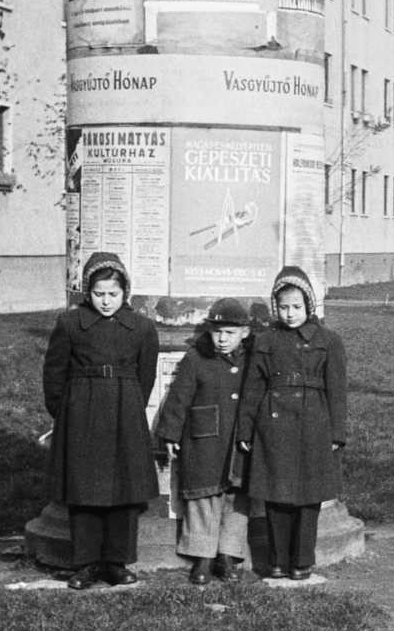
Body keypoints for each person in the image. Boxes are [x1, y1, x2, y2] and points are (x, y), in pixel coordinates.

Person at [43, 252, 160, 590]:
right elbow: (54, 373)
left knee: (124, 488)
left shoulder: (141, 327)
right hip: (80, 412)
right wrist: (65, 412)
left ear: (125, 292)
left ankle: (117, 562)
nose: (106, 301)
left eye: (113, 294)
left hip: (125, 412)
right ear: (86, 291)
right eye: (98, 294)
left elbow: (145, 376)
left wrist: (130, 405)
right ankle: (85, 562)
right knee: (84, 487)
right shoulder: (70, 324)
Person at [236, 267, 348, 581]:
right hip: (274, 426)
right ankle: (277, 561)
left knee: (308, 497)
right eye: (283, 307)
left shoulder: (328, 340)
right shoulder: (266, 341)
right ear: (276, 307)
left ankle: (301, 562)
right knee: (277, 494)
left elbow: (337, 390)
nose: (290, 314)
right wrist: (246, 428)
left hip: (315, 424)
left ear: (309, 306)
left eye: (296, 307)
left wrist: (337, 431)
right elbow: (253, 387)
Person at [155, 297, 254, 586]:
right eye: (217, 331)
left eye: (230, 333)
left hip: (239, 441)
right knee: (202, 496)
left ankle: (227, 555)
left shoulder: (253, 361)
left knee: (236, 499)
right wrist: (170, 433)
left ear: (244, 333)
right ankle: (203, 556)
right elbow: (179, 398)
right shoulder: (196, 359)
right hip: (204, 440)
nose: (222, 339)